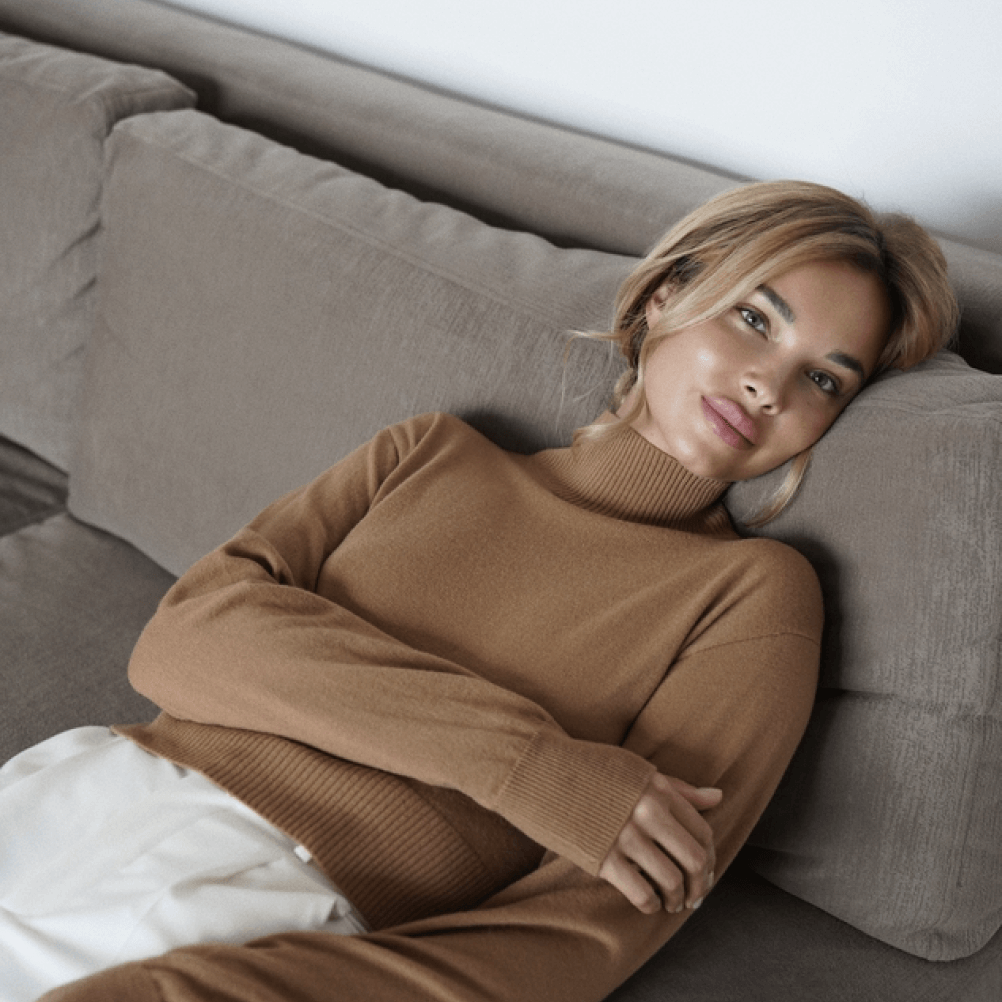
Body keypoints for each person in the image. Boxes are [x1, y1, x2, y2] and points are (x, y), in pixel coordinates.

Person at [3, 180, 958, 1002]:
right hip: (81, 798)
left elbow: (585, 931)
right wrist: (527, 767)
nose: (768, 388)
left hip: (263, 917)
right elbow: (186, 639)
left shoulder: (752, 596)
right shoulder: (431, 451)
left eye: (823, 380)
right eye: (755, 320)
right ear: (669, 294)